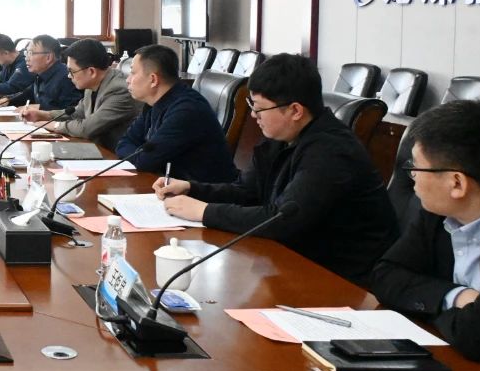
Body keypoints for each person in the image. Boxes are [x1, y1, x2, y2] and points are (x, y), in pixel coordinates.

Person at [154, 53, 398, 285]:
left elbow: (282, 220)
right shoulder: (281, 136)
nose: (253, 115)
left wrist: (205, 212)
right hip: (294, 260)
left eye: (259, 108)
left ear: (295, 110)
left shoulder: (332, 152)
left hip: (343, 280)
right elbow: (247, 191)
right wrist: (192, 188)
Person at [370, 100, 480, 364]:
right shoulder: (438, 212)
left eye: (416, 167)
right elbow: (384, 276)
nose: (412, 176)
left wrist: (429, 303)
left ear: (456, 183)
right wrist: (457, 297)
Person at [115, 44, 234, 183]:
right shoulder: (154, 103)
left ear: (153, 79)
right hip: (169, 185)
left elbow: (145, 161)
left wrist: (136, 154)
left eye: (133, 73)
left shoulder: (187, 110)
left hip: (200, 192)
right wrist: (136, 154)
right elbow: (124, 143)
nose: (128, 79)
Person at [22, 38, 140, 151]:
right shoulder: (92, 84)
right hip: (97, 150)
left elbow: (86, 128)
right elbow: (77, 113)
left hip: (117, 157)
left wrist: (55, 125)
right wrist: (43, 115)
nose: (69, 76)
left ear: (91, 72)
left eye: (71, 71)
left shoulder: (119, 90)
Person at [0, 35, 79, 111]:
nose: (26, 58)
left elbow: (71, 111)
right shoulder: (41, 74)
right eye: (26, 53)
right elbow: (28, 94)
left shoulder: (67, 77)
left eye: (31, 53)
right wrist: (7, 100)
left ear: (48, 57)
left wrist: (39, 107)